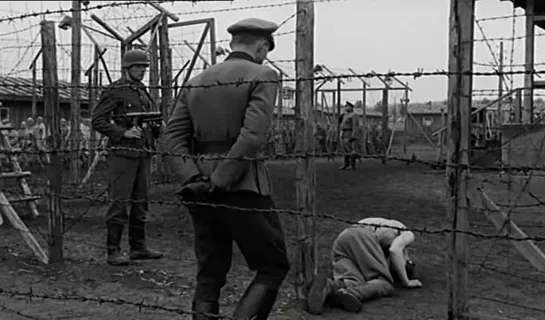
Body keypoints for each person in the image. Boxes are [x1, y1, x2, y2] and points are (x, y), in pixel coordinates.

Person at [163, 18, 290, 320]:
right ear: (261, 46)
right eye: (265, 51)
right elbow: (252, 137)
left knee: (210, 272)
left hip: (199, 188)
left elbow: (171, 137)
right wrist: (220, 180)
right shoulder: (263, 74)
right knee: (272, 266)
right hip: (243, 186)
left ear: (233, 44)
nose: (264, 56)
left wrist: (194, 178)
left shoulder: (196, 81)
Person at [91, 49, 163, 266]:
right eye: (138, 67)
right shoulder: (114, 91)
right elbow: (98, 120)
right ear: (127, 68)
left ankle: (138, 248)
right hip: (122, 154)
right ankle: (113, 251)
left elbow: (146, 120)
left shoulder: (143, 91)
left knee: (141, 202)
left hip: (143, 153)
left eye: (144, 67)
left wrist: (156, 126)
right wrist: (123, 132)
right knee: (119, 203)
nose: (142, 70)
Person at [306, 217, 421, 314]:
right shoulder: (407, 234)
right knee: (385, 283)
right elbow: (395, 251)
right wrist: (406, 281)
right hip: (363, 235)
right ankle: (351, 293)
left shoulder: (387, 234)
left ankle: (328, 285)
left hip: (344, 237)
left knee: (355, 280)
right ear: (407, 260)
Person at [339, 101, 359, 170]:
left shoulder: (354, 115)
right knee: (345, 149)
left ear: (351, 107)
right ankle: (346, 164)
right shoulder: (345, 115)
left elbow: (355, 125)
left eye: (347, 106)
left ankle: (352, 165)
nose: (346, 107)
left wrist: (353, 135)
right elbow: (340, 123)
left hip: (349, 132)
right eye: (345, 106)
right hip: (344, 132)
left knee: (350, 148)